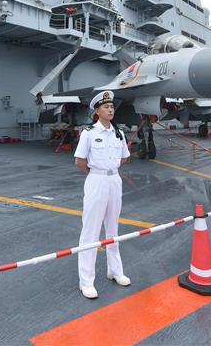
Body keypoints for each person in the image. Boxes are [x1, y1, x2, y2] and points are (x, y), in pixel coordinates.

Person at [74, 91, 131, 299]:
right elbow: (79, 160)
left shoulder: (119, 134)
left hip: (114, 180)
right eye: (106, 107)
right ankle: (86, 281)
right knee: (90, 231)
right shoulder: (88, 133)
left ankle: (115, 271)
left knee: (113, 229)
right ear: (97, 111)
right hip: (96, 180)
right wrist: (96, 174)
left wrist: (110, 170)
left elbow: (125, 157)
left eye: (112, 107)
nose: (110, 109)